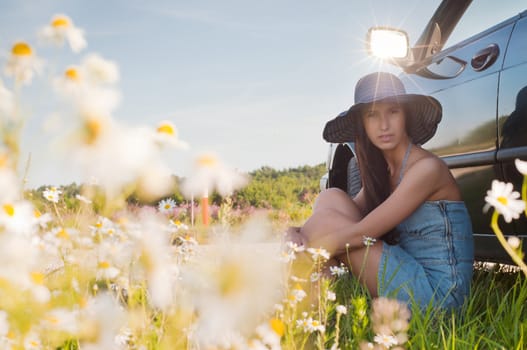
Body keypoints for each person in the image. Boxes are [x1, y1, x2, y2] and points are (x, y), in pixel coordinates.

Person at [288, 72, 474, 311]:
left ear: (405, 116)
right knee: (330, 197)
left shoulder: (426, 169)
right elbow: (338, 215)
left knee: (324, 227)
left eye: (393, 112)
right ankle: (318, 301)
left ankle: (308, 298)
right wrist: (291, 232)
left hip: (439, 298)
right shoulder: (386, 173)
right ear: (363, 125)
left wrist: (305, 247)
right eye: (372, 114)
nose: (384, 125)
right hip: (410, 271)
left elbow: (361, 234)